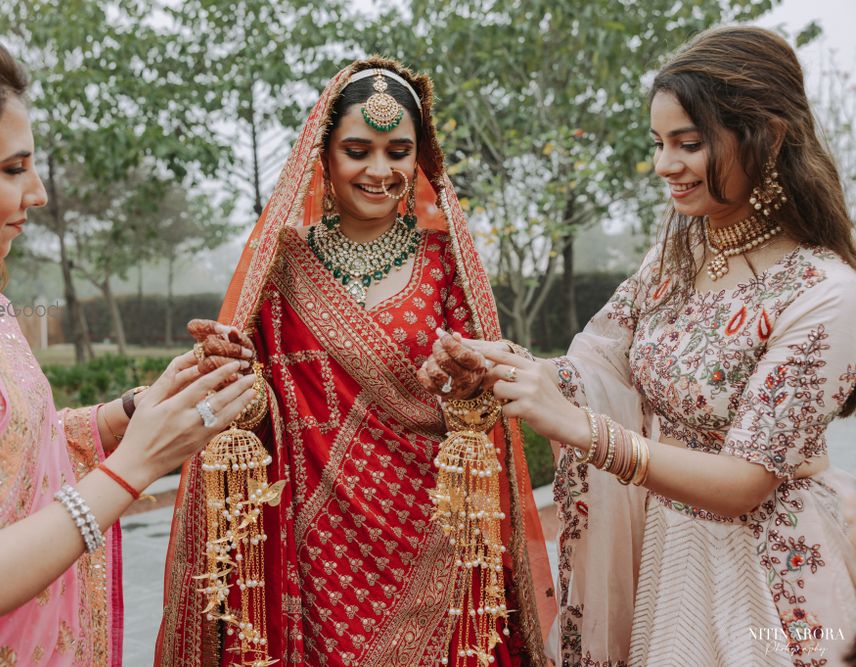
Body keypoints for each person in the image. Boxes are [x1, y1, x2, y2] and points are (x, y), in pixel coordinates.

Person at [421, 26, 856, 666]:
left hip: (769, 582)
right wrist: (497, 368)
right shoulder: (677, 257)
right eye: (659, 143)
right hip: (665, 559)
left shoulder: (828, 292)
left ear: (770, 135)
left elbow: (745, 482)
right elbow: (598, 367)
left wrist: (587, 432)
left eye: (689, 143)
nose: (663, 166)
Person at [0, 28, 256, 665]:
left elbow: (20, 437)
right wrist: (138, 464)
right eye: (14, 169)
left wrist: (137, 411)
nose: (38, 193)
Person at [155, 58, 556, 666]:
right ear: (325, 154)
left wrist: (469, 387)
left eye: (398, 151)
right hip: (316, 536)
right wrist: (237, 371)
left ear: (419, 159)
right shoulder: (282, 264)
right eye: (357, 150)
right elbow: (259, 406)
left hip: (434, 528)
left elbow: (483, 403)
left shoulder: (446, 262)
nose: (379, 170)